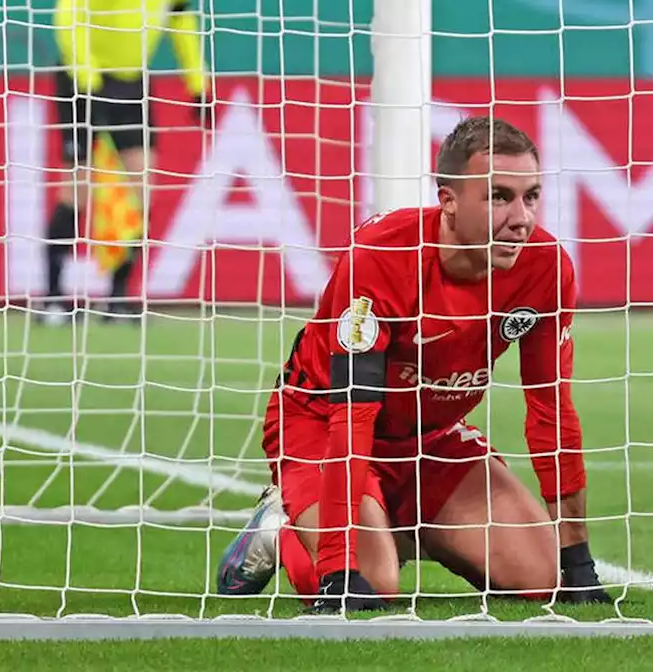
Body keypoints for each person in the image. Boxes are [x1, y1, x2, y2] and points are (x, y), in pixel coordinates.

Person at [216, 117, 612, 612]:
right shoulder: (381, 256)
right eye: (498, 197)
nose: (522, 218)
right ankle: (283, 528)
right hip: (322, 422)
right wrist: (339, 569)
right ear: (448, 201)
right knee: (373, 584)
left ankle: (389, 523)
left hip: (432, 440)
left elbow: (550, 409)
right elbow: (353, 413)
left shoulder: (546, 267)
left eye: (530, 196)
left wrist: (578, 562)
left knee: (542, 578)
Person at [38, 0, 212, 325]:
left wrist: (198, 84)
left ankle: (117, 297)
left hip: (132, 85)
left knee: (141, 189)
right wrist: (87, 78)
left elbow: (181, 22)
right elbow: (69, 15)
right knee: (78, 188)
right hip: (82, 80)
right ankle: (53, 298)